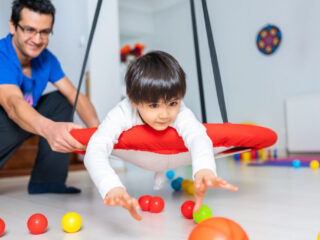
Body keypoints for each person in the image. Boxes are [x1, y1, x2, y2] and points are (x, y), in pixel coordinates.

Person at [84, 51, 238, 221]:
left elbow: (198, 137)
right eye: (154, 105)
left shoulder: (181, 112)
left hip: (169, 156)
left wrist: (204, 169)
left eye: (173, 103)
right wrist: (111, 187)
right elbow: (95, 149)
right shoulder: (122, 112)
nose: (165, 114)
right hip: (141, 156)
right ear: (133, 100)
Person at [0, 0, 99, 194]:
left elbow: (74, 95)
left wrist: (100, 134)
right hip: (5, 121)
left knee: (61, 100)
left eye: (44, 32)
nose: (37, 39)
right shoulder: (2, 55)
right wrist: (50, 129)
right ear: (13, 26)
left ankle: (48, 182)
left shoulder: (47, 59)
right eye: (29, 30)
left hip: (23, 121)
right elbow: (13, 104)